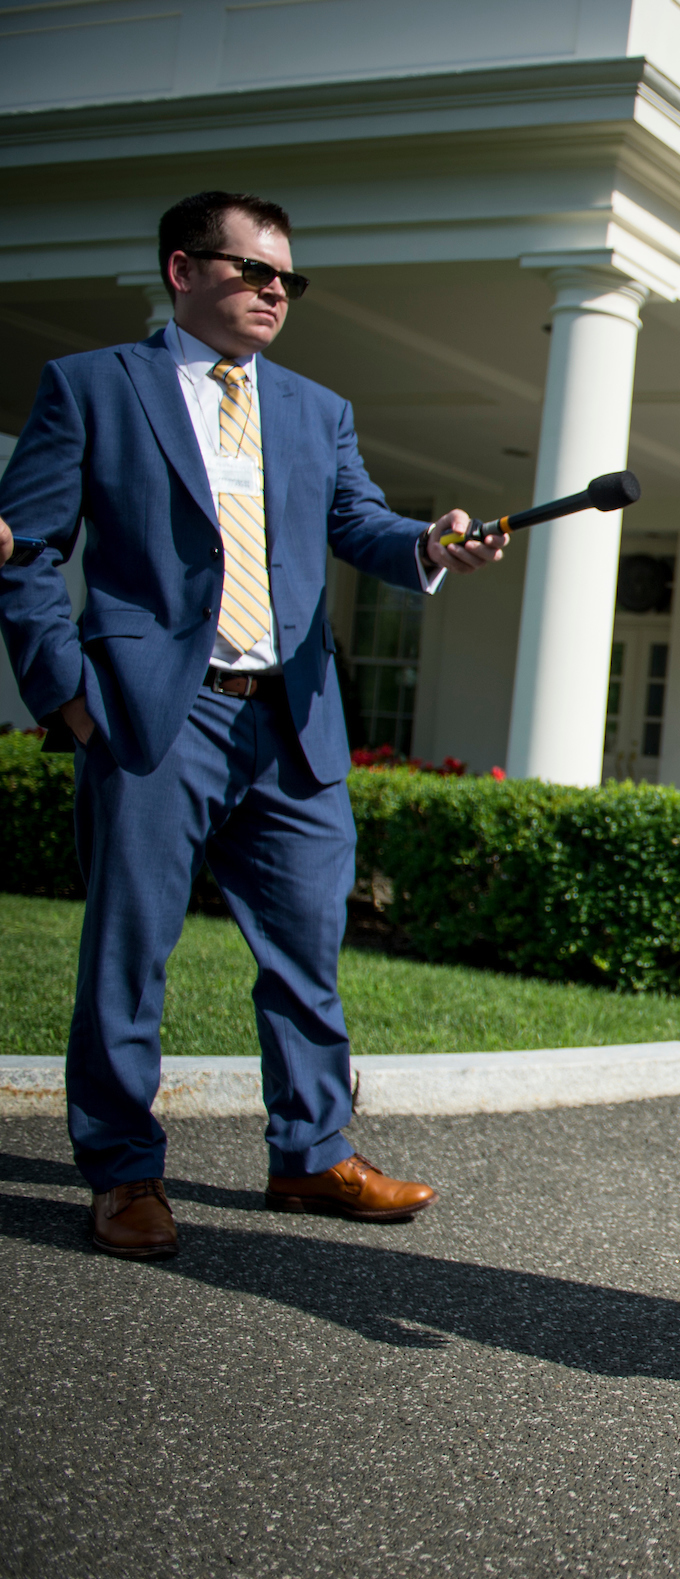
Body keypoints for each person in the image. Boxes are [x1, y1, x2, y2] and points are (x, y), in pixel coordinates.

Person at [0, 191, 512, 1260]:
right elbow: (29, 549)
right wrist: (65, 693)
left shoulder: (316, 409)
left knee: (307, 951)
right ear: (183, 272)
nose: (276, 291)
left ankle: (312, 1155)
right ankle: (123, 1170)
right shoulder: (93, 387)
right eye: (252, 271)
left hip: (294, 718)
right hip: (153, 715)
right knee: (128, 955)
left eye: (288, 278)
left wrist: (431, 541)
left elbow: (358, 523)